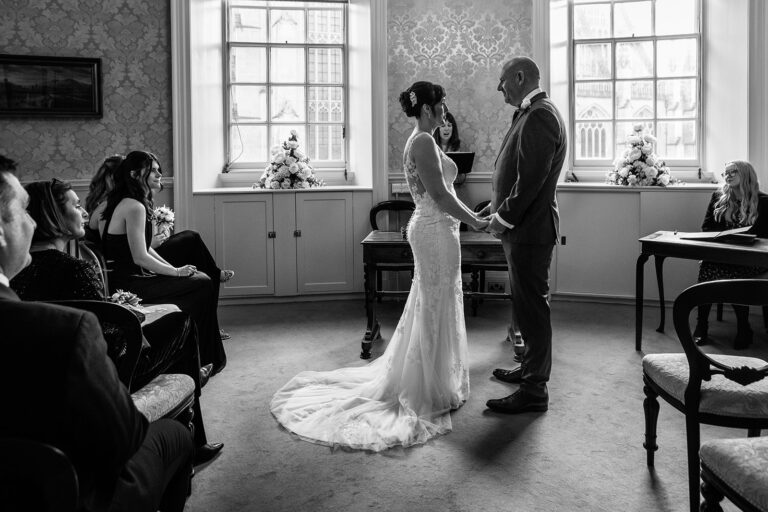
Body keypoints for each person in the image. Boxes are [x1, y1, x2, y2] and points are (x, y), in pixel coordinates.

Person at [270, 81, 489, 451]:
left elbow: (446, 191)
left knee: (435, 302)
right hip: (435, 230)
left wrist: (470, 217)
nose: (445, 109)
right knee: (434, 304)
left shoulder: (425, 140)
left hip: (439, 229)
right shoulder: (422, 141)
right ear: (427, 108)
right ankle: (426, 387)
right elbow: (439, 195)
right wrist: (477, 222)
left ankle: (437, 379)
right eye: (441, 103)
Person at [0, 156, 194, 511]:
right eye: (24, 212)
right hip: (72, 485)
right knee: (176, 435)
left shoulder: (25, 286)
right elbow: (125, 436)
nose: (32, 222)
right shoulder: (71, 324)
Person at [9, 178, 223, 465]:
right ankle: (194, 439)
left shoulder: (14, 272)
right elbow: (109, 341)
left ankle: (193, 380)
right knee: (181, 323)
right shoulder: (76, 270)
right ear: (54, 215)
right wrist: (133, 318)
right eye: (75, 205)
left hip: (42, 376)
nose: (84, 212)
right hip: (107, 373)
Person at [483, 57, 568, 414]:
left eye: (502, 80)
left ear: (519, 77)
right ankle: (529, 369)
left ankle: (535, 390)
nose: (499, 88)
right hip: (523, 229)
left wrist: (503, 218)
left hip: (529, 230)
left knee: (533, 309)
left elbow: (530, 181)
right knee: (525, 305)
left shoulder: (541, 115)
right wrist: (496, 209)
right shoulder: (530, 113)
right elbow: (517, 171)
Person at [98, 150, 227, 374]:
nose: (159, 174)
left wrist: (172, 269)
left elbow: (146, 248)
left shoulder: (128, 202)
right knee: (203, 283)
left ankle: (196, 355)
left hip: (129, 277)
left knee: (200, 280)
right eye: (153, 171)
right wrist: (175, 273)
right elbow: (140, 257)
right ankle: (199, 358)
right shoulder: (134, 207)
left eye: (159, 170)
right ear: (135, 174)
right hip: (129, 284)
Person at [692, 160, 768, 349]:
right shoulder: (718, 197)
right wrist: (723, 238)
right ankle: (702, 325)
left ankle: (743, 327)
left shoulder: (764, 201)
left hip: (752, 259)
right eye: (726, 172)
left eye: (734, 171)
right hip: (723, 255)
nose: (728, 175)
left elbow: (766, 236)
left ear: (746, 174)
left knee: (735, 272)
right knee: (707, 267)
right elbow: (706, 228)